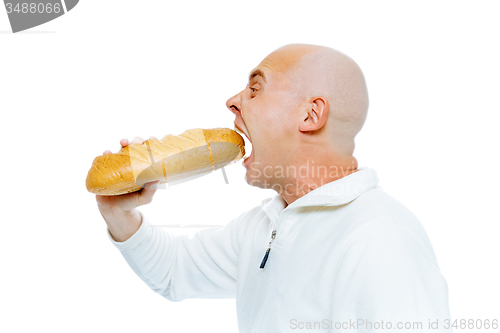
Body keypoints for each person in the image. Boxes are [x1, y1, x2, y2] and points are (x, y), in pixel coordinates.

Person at [95, 44, 453, 332]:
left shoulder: (381, 242)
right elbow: (175, 271)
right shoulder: (268, 224)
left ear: (310, 116)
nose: (233, 100)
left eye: (255, 88)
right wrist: (118, 213)